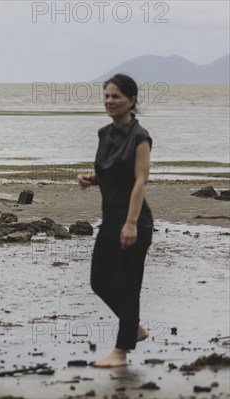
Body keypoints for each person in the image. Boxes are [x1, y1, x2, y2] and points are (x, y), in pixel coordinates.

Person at [77, 74, 153, 367]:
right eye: (107, 96)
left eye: (116, 96)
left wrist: (131, 223)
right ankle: (133, 327)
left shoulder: (140, 137)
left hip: (134, 222)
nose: (109, 101)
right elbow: (112, 172)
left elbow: (140, 181)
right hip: (110, 221)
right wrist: (92, 179)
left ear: (131, 101)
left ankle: (121, 352)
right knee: (99, 281)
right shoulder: (104, 134)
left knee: (127, 285)